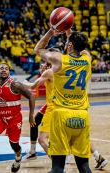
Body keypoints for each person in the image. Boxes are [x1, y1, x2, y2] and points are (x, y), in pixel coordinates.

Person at [34, 28, 93, 172]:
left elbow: (38, 49)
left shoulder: (59, 59)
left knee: (58, 167)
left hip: (62, 115)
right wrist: (69, 31)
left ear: (70, 45)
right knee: (84, 166)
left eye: (67, 41)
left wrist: (51, 31)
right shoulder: (87, 59)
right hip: (82, 115)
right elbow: (80, 48)